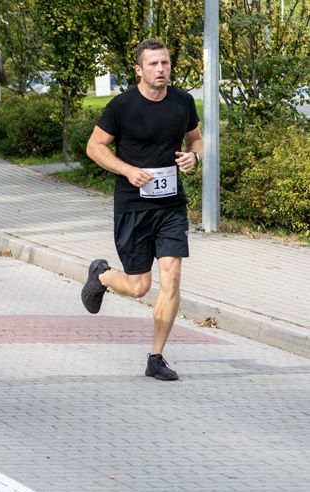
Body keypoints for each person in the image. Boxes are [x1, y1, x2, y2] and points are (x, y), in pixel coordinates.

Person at [82, 38, 204, 381]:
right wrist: (127, 170)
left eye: (164, 63)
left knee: (172, 275)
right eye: (153, 64)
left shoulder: (182, 101)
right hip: (133, 205)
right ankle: (102, 276)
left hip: (171, 205)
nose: (160, 69)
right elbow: (94, 147)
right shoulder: (122, 106)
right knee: (138, 287)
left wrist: (194, 156)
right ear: (139, 69)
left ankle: (156, 357)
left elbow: (196, 138)